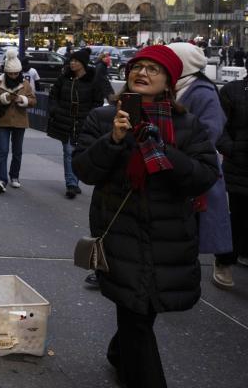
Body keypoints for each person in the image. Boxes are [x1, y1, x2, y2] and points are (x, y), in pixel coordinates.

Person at [73, 45, 217, 388]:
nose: (143, 74)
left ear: (169, 80)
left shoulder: (186, 124)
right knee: (135, 313)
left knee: (142, 310)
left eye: (154, 69)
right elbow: (84, 169)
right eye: (138, 67)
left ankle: (119, 353)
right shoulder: (104, 118)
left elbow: (204, 176)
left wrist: (160, 149)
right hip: (120, 231)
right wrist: (115, 139)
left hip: (169, 235)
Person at [168, 42, 234, 288]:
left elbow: (210, 130)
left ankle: (185, 276)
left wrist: (177, 147)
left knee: (189, 228)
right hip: (174, 165)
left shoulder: (202, 91)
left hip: (193, 169)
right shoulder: (175, 86)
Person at [47, 47, 106, 198]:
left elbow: (98, 101)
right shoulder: (64, 78)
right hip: (65, 120)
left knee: (79, 152)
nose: (72, 63)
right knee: (68, 151)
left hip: (84, 122)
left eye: (75, 61)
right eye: (71, 60)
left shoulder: (93, 80)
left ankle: (75, 180)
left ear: (83, 64)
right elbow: (53, 95)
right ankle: (71, 184)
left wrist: (90, 116)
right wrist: (55, 110)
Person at [0, 49, 37, 193]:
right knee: (3, 150)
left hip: (20, 121)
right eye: (11, 74)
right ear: (6, 72)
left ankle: (14, 176)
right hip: (3, 120)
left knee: (17, 151)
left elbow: (34, 100)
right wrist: (4, 98)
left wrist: (22, 99)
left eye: (16, 73)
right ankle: (2, 179)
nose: (14, 76)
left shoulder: (25, 84)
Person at [218, 73, 248, 285]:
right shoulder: (233, 90)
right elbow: (220, 126)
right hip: (241, 166)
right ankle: (225, 261)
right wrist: (233, 149)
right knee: (239, 216)